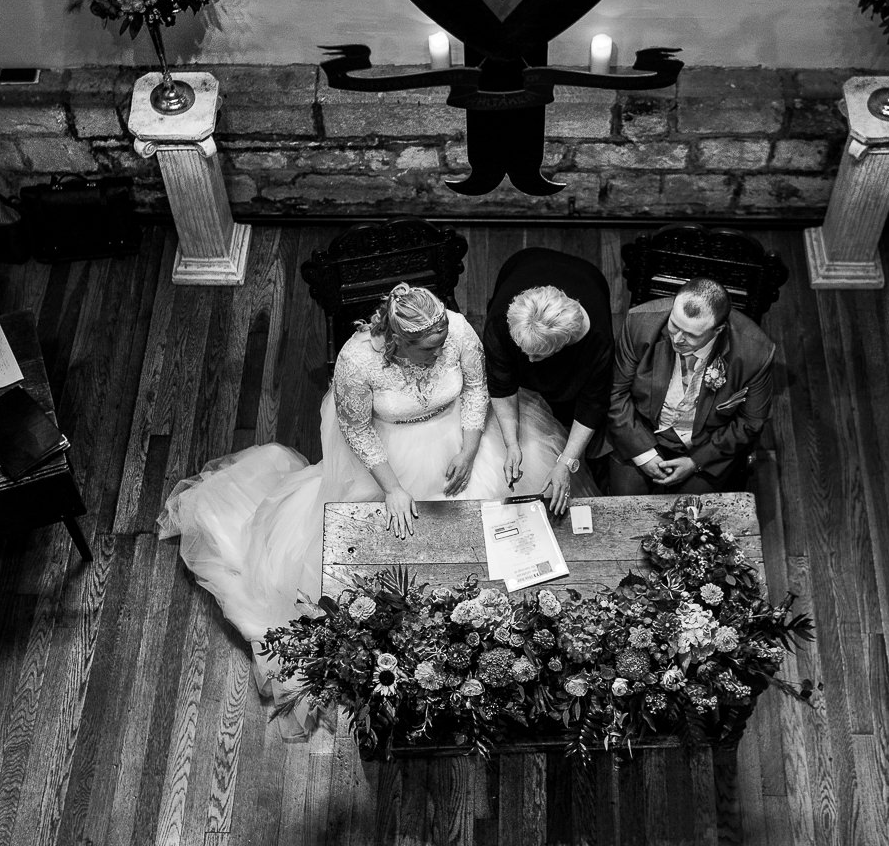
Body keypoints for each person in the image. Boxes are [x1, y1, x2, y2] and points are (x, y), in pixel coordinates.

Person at [158, 284, 588, 717]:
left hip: (462, 436)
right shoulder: (357, 360)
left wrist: (470, 449)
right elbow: (357, 429)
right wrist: (393, 489)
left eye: (443, 342)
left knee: (495, 523)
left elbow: (477, 388)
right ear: (398, 341)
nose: (440, 353)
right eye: (429, 349)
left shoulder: (457, 330)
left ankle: (492, 621)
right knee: (399, 547)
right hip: (392, 453)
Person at [604, 277, 776, 495]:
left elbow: (750, 422)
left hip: (706, 446)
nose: (677, 339)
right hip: (640, 431)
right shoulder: (639, 323)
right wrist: (644, 454)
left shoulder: (755, 353)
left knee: (693, 511)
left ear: (718, 330)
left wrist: (696, 461)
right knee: (624, 503)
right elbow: (614, 393)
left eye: (691, 335)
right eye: (674, 325)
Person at [482, 248, 613, 517]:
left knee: (567, 407)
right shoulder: (500, 320)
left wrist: (566, 461)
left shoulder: (597, 341)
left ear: (565, 342)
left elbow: (592, 404)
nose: (529, 361)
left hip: (587, 277)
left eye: (538, 355)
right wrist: (512, 443)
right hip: (525, 262)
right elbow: (501, 384)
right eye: (523, 351)